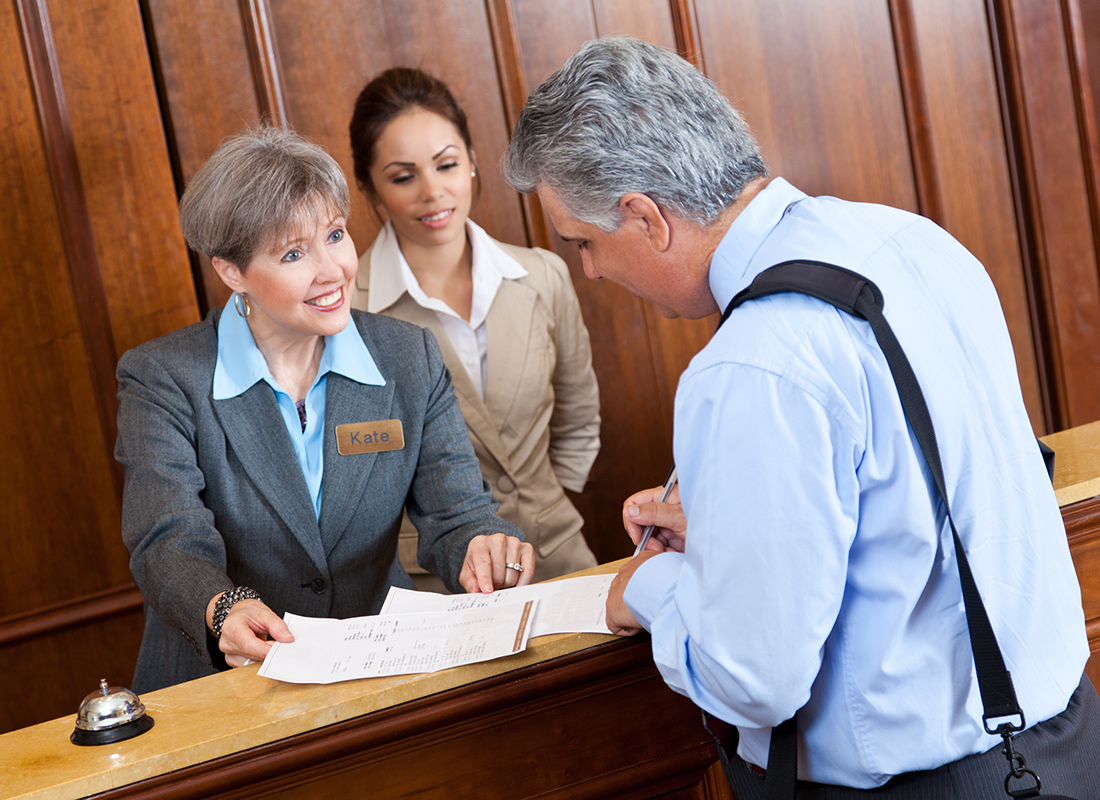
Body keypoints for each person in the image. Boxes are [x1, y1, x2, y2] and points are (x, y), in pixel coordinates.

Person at [504, 36, 1100, 798]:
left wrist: (648, 588)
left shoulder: (754, 362)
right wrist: (736, 527)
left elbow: (753, 680)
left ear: (645, 217)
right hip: (1065, 739)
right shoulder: (912, 241)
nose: (587, 269)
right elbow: (925, 489)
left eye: (583, 243)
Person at [115, 125, 533, 693]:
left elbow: (457, 515)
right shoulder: (163, 377)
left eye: (335, 235)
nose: (332, 269)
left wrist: (483, 547)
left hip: (372, 679)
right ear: (231, 271)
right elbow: (167, 540)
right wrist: (223, 608)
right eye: (293, 253)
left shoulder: (407, 356)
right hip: (222, 686)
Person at [348, 67, 600, 584]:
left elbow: (578, 417)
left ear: (472, 163)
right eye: (402, 176)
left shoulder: (541, 274)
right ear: (371, 190)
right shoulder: (350, 310)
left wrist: (541, 507)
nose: (433, 191)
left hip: (557, 557)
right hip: (434, 583)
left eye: (446, 165)